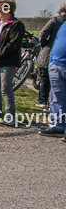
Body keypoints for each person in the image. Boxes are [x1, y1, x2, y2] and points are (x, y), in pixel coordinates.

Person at [0, 0, 25, 127]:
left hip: (7, 62)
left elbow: (12, 44)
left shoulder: (16, 25)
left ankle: (10, 116)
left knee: (6, 88)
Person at [40, 12, 66, 140]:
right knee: (56, 98)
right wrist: (52, 60)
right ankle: (57, 127)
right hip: (57, 63)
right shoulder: (63, 24)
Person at [35, 4, 66, 110]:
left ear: (59, 12)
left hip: (49, 51)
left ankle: (43, 100)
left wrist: (44, 43)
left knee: (45, 78)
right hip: (63, 56)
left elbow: (43, 32)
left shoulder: (55, 20)